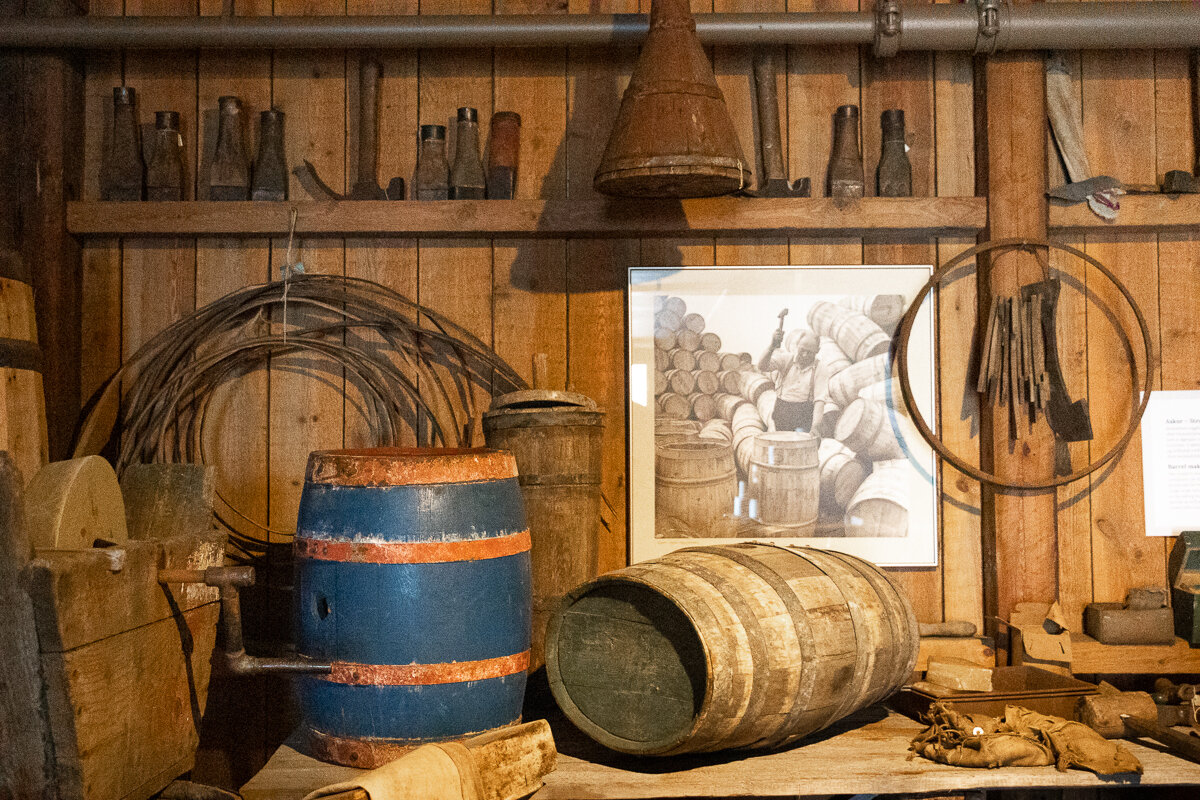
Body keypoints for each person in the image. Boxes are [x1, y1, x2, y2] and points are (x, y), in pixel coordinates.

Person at [758, 327, 828, 435]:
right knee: (780, 446)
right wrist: (772, 346)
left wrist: (815, 427)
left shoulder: (820, 368)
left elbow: (819, 401)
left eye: (809, 353)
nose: (804, 355)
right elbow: (762, 366)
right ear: (797, 346)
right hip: (782, 413)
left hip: (803, 417)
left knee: (799, 445)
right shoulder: (786, 359)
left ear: (817, 351)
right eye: (802, 350)